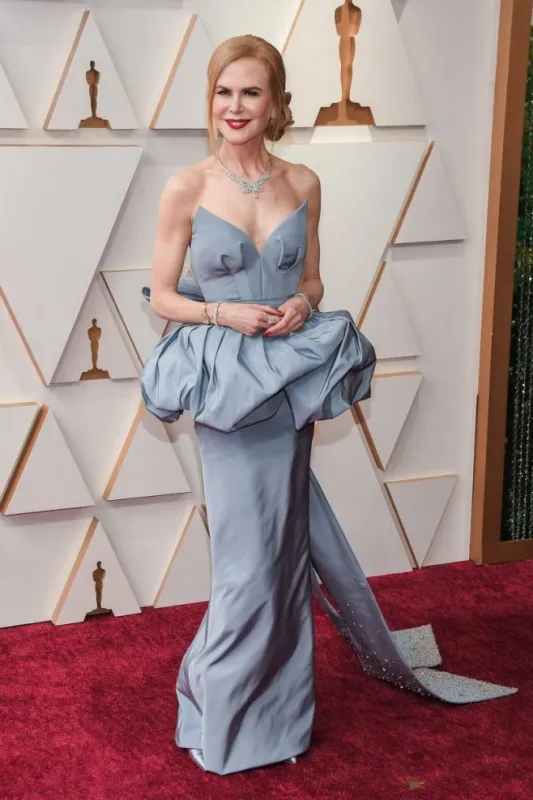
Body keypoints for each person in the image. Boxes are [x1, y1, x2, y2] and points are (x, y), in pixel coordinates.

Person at [141, 35, 516, 776]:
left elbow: (313, 281)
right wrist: (224, 316)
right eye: (223, 92)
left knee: (277, 559)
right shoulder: (185, 185)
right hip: (228, 390)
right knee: (247, 566)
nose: (235, 107)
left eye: (250, 93)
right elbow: (161, 295)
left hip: (286, 385)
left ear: (276, 103)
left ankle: (250, 708)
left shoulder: (304, 182)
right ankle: (228, 712)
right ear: (209, 101)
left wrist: (293, 305)